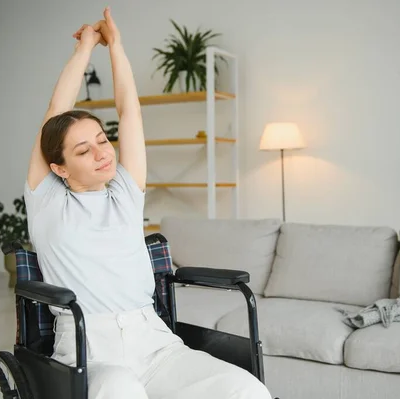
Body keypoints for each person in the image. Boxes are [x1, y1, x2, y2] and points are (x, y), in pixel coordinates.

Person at [23, 7, 272, 399]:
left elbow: (129, 112)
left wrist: (117, 47)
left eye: (103, 141)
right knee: (121, 389)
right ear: (60, 168)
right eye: (83, 150)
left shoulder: (124, 191)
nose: (102, 152)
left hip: (155, 344)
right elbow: (54, 112)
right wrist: (86, 46)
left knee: (246, 389)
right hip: (90, 350)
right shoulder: (48, 201)